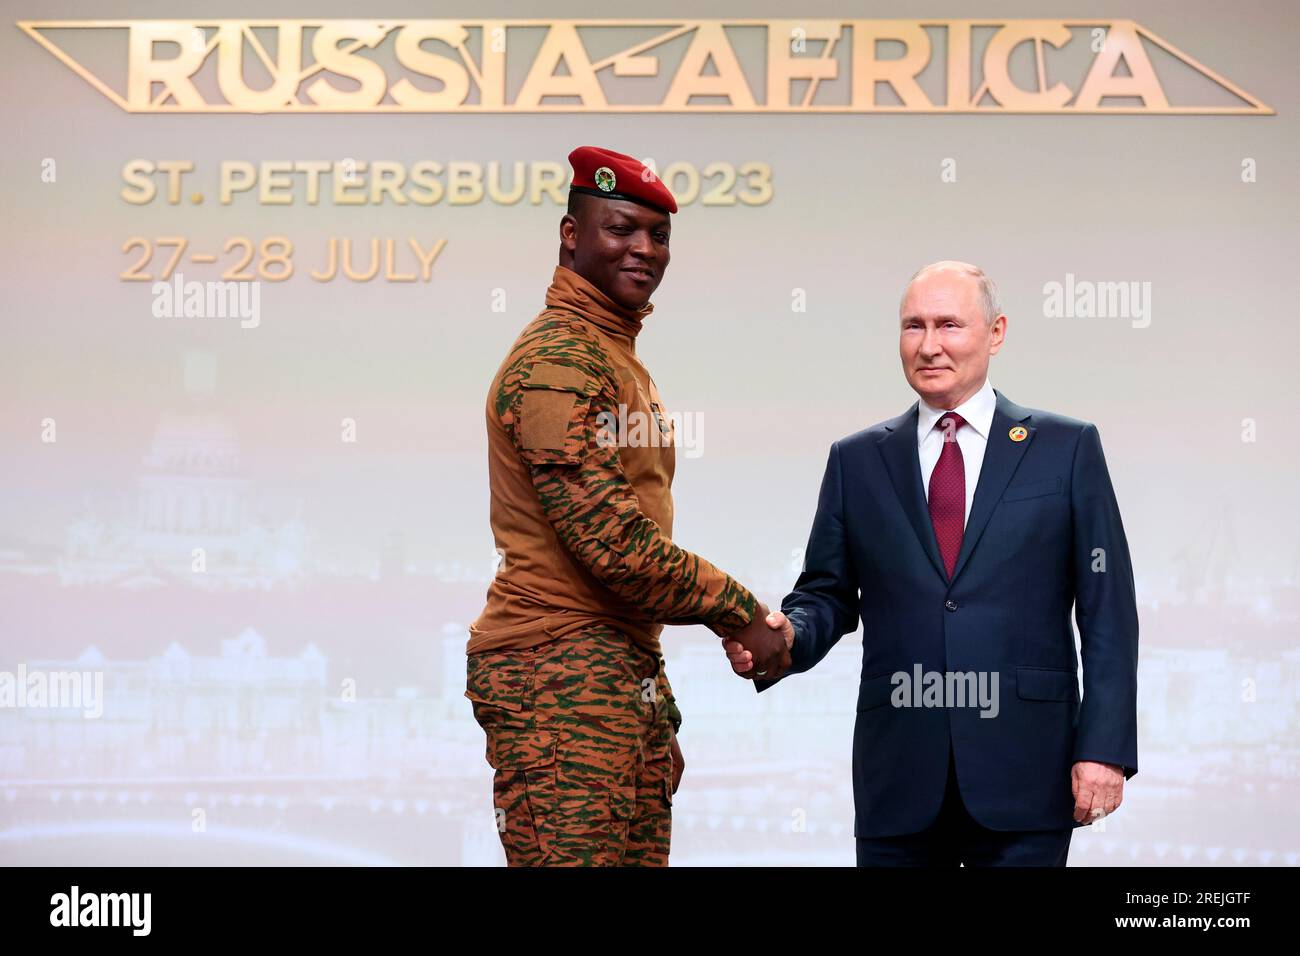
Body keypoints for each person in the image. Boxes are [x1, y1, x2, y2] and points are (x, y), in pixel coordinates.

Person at [728, 260, 1138, 866]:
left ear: (996, 333)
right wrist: (787, 638)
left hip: (1026, 773)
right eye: (913, 326)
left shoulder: (1067, 448)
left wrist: (1103, 748)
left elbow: (1108, 614)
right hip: (899, 779)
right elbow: (827, 594)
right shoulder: (858, 460)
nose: (928, 345)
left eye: (949, 325)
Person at [466, 145, 789, 867]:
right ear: (570, 235)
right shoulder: (560, 363)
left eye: (658, 234)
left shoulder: (609, 354)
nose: (643, 249)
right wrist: (738, 611)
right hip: (558, 669)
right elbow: (612, 544)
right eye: (620, 228)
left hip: (613, 667)